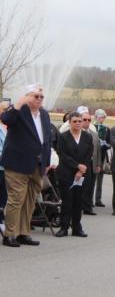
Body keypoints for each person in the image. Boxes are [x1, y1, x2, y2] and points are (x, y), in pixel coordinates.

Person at [2, 84, 51, 247]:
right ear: (26, 97)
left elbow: (47, 139)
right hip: (17, 164)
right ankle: (10, 234)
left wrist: (47, 162)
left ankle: (23, 233)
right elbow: (6, 119)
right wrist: (17, 104)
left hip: (37, 165)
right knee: (16, 200)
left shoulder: (44, 114)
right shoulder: (18, 111)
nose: (39, 99)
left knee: (30, 200)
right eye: (35, 96)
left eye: (41, 97)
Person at [55, 112, 93, 237]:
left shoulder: (87, 137)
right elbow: (63, 155)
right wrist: (77, 166)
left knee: (78, 201)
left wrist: (81, 170)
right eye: (74, 121)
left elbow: (88, 154)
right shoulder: (63, 136)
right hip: (66, 173)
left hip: (81, 174)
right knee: (67, 202)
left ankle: (77, 228)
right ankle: (64, 227)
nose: (77, 123)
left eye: (79, 121)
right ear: (69, 123)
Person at [80, 110, 101, 216]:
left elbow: (98, 150)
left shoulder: (94, 134)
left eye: (89, 120)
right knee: (80, 187)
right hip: (81, 165)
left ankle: (88, 207)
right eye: (84, 120)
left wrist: (98, 164)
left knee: (90, 187)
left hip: (92, 164)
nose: (87, 122)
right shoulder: (77, 133)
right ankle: (79, 207)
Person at [94, 109, 110, 207]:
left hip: (103, 155)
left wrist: (106, 144)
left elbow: (110, 143)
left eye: (103, 117)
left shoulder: (106, 129)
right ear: (95, 117)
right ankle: (88, 200)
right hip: (93, 156)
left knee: (100, 178)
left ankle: (98, 199)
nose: (101, 119)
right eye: (100, 117)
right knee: (91, 179)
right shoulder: (92, 127)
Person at [0, 103, 8, 233]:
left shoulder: (6, 127)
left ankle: (1, 219)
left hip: (7, 168)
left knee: (3, 196)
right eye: (4, 110)